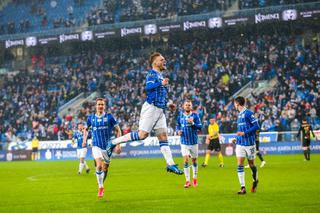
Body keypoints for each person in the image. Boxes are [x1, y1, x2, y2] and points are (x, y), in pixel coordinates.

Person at [111, 52, 183, 175]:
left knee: (163, 136)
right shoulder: (152, 74)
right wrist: (161, 83)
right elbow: (148, 88)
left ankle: (170, 164)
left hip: (160, 110)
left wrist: (168, 104)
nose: (164, 61)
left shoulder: (160, 75)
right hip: (151, 108)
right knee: (142, 135)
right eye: (162, 59)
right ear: (155, 62)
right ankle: (113, 142)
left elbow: (159, 96)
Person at [83, 98, 122, 199]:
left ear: (104, 106)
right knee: (99, 166)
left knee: (105, 168)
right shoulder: (91, 118)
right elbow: (86, 129)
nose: (100, 106)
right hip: (96, 145)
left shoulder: (109, 117)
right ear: (96, 106)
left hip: (107, 146)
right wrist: (84, 140)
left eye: (102, 104)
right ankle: (100, 187)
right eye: (99, 104)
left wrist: (118, 144)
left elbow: (118, 130)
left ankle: (101, 181)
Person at [232, 96, 260, 195]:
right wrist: (238, 138)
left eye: (234, 103)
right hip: (240, 144)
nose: (234, 105)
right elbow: (240, 130)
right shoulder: (239, 115)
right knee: (239, 164)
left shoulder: (248, 113)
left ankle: (255, 181)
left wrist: (244, 134)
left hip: (250, 144)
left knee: (252, 164)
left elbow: (257, 126)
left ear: (237, 103)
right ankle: (243, 187)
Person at [176, 100, 202, 188]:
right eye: (186, 105)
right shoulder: (180, 115)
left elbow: (200, 127)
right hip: (184, 142)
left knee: (194, 161)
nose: (187, 106)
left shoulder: (195, 116)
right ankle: (187, 181)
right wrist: (178, 131)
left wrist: (193, 123)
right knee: (186, 160)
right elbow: (177, 125)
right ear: (183, 106)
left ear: (191, 107)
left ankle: (194, 178)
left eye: (189, 105)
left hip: (194, 142)